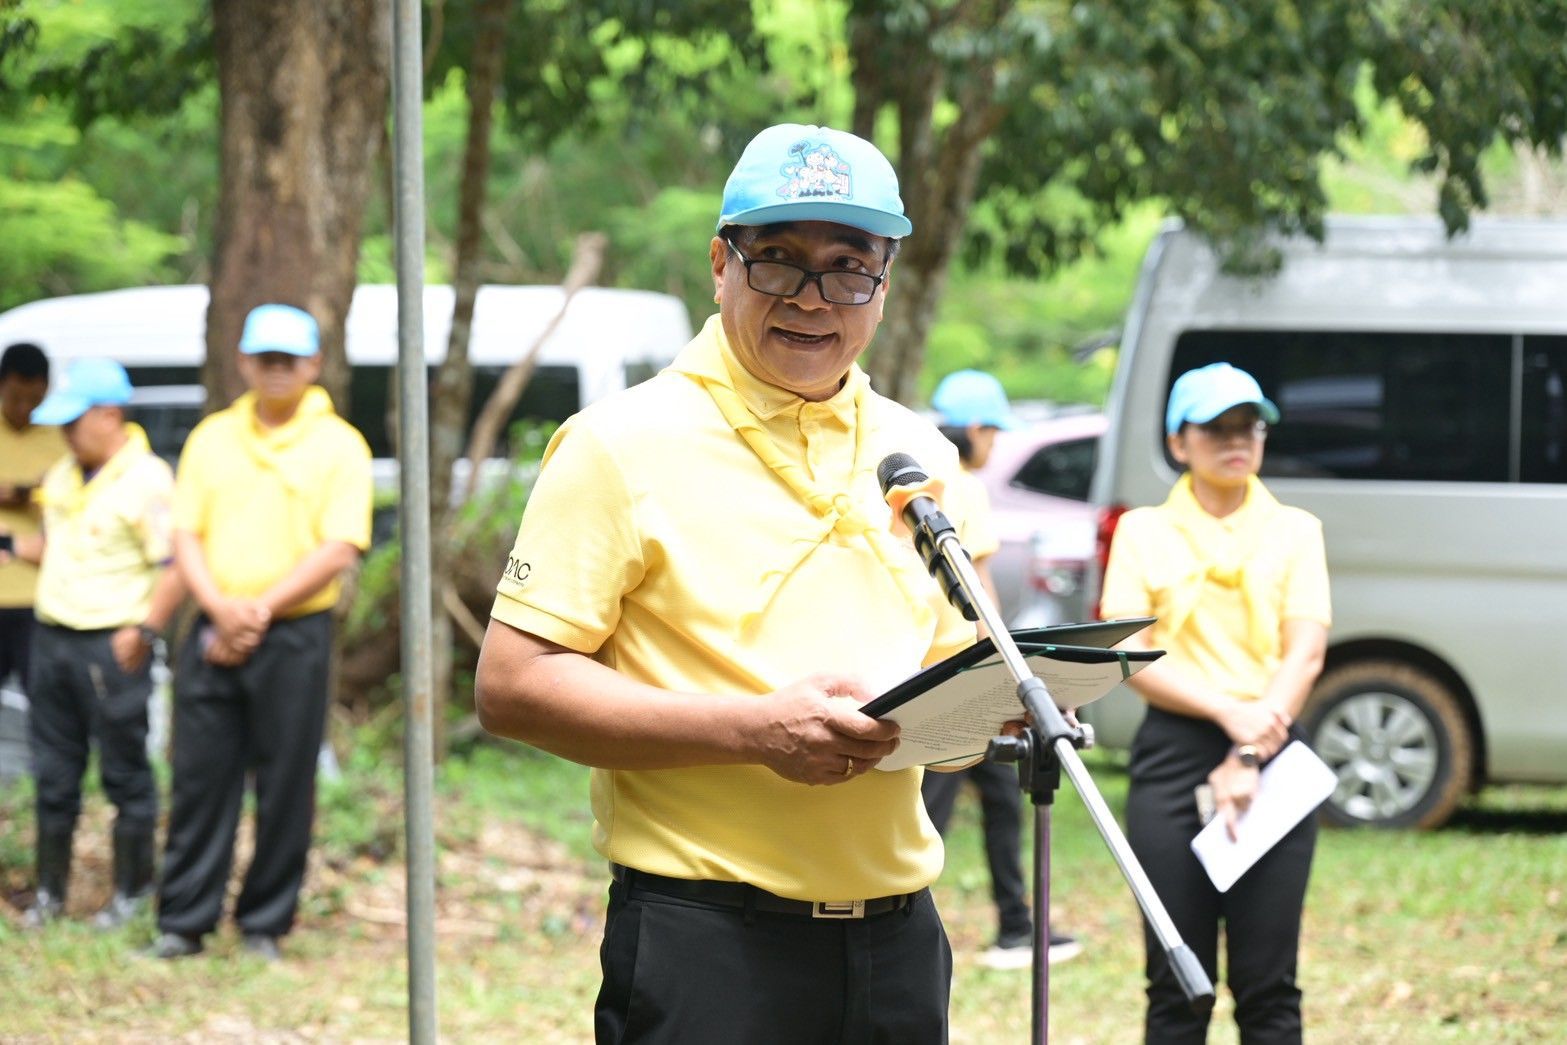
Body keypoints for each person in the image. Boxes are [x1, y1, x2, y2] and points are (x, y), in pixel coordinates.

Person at [475, 123, 995, 1043]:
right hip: (703, 937)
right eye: (778, 261)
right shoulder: (619, 443)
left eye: (848, 265)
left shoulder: (920, 454)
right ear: (721, 263)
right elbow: (513, 687)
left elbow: (962, 696)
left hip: (899, 942)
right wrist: (751, 730)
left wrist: (1003, 708)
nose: (811, 296)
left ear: (884, 282)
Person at [1099, 362, 1331, 1044]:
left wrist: (1252, 744)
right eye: (1216, 427)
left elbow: (1305, 651)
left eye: (1249, 426)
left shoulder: (1295, 529)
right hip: (1174, 750)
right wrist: (1228, 716)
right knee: (1176, 982)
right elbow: (1130, 652)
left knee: (1268, 986)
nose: (1236, 440)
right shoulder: (1142, 529)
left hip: (1273, 744)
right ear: (1178, 442)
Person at [147, 304, 372, 962]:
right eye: (264, 358)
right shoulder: (212, 436)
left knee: (285, 781)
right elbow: (184, 533)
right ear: (243, 361)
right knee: (198, 775)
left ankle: (264, 924)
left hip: (294, 635)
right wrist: (221, 608)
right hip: (211, 626)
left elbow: (340, 547)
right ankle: (183, 922)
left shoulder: (340, 444)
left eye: (289, 359)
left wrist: (256, 611)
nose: (276, 370)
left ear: (313, 364)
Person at [2, 358, 183, 929]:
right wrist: (8, 542)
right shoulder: (64, 472)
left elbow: (174, 567)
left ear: (109, 415)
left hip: (112, 645)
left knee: (126, 773)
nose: (64, 433)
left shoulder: (148, 479)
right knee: (54, 773)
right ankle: (50, 895)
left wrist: (145, 629)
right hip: (52, 637)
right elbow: (57, 546)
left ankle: (131, 895)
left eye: (74, 421)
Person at [919, 368, 1082, 970]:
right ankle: (907, 920)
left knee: (997, 799)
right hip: (956, 679)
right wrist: (1010, 677)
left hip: (933, 673)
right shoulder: (962, 485)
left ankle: (1017, 925)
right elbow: (981, 597)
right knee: (931, 812)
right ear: (980, 430)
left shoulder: (910, 480)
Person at [0, 344, 67, 764]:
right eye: (15, 396)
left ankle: (48, 801)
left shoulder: (58, 440)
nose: (25, 406)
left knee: (46, 713)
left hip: (37, 603)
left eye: (34, 397)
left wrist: (21, 494)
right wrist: (29, 491)